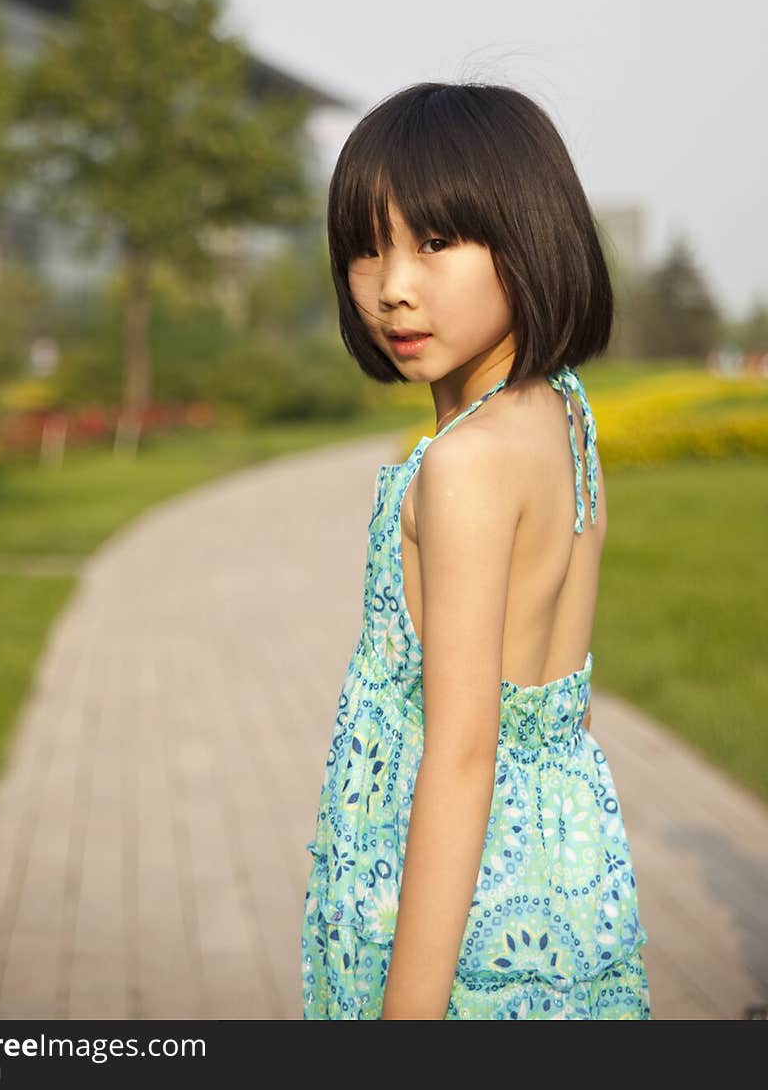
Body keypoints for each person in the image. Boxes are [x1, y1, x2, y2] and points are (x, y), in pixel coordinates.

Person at [300, 81, 651, 1020]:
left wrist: (407, 1017)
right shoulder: (560, 411)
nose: (392, 286)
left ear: (528, 236)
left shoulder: (465, 465)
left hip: (461, 917)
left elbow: (461, 754)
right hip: (558, 874)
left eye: (436, 242)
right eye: (365, 247)